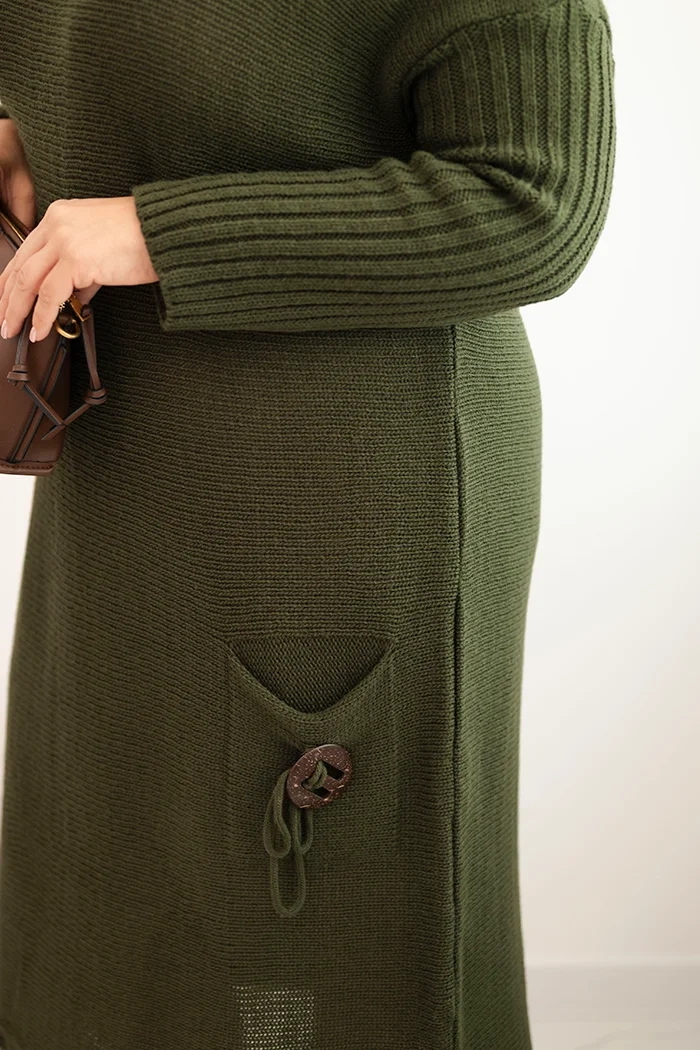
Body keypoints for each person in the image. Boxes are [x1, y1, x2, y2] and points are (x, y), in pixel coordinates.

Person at [0, 0, 616, 1047]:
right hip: (118, 464)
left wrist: (160, 229)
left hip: (342, 487)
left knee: (315, 934)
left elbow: (533, 204)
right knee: (113, 895)